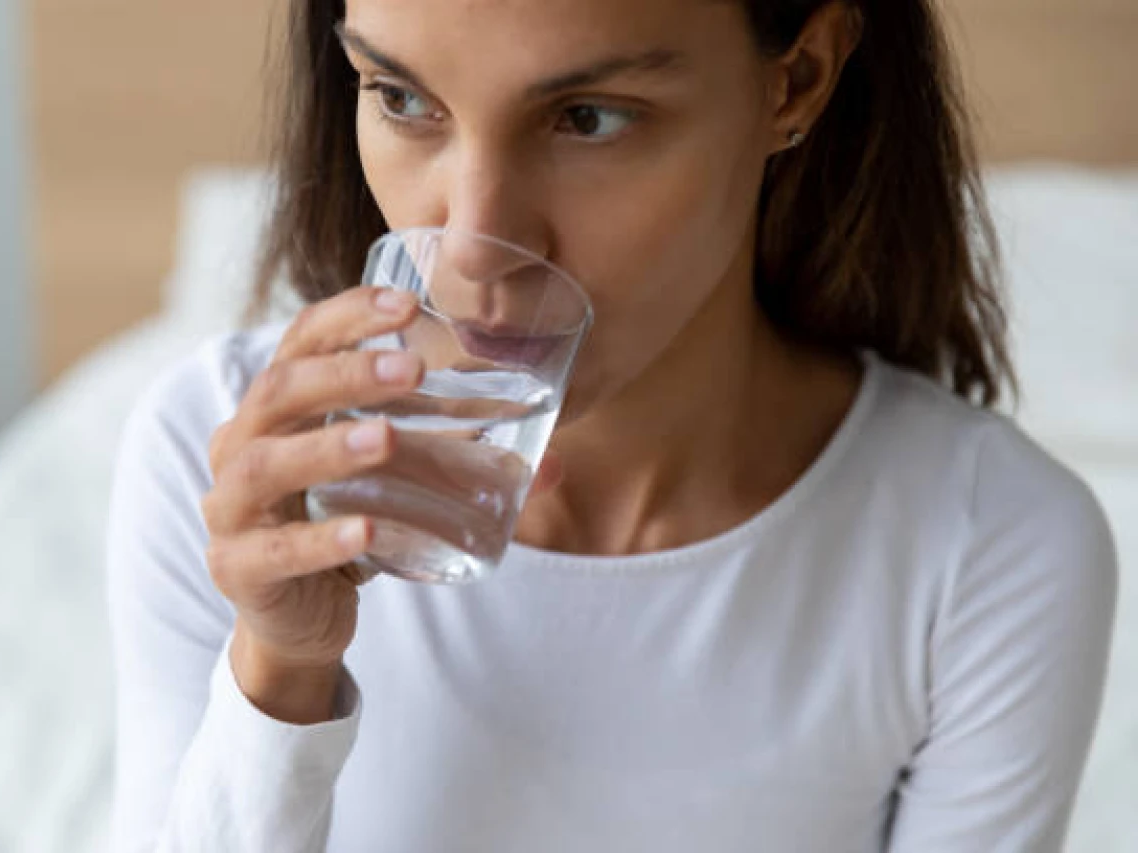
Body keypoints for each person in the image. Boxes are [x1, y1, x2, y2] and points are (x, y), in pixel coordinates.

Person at [106, 0, 1118, 850]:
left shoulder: (988, 548)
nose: (474, 248)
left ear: (794, 80)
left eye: (586, 117)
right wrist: (279, 673)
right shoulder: (222, 448)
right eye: (402, 98)